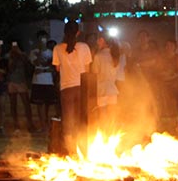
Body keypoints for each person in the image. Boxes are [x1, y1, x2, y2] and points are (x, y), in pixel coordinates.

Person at [53, 20, 92, 153]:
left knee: (68, 120)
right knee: (81, 119)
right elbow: (87, 69)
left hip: (66, 87)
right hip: (81, 87)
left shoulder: (57, 48)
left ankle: (71, 151)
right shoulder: (84, 47)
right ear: (78, 32)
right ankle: (83, 149)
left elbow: (57, 68)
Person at [92, 35, 121, 131]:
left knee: (103, 116)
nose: (97, 42)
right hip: (113, 89)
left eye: (98, 39)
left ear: (103, 40)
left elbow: (94, 73)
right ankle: (112, 134)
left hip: (102, 89)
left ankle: (104, 135)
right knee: (112, 116)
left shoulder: (98, 56)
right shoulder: (115, 55)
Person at [30, 32, 58, 132]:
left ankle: (49, 124)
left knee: (50, 105)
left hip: (49, 81)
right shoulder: (34, 52)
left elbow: (53, 68)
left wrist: (44, 70)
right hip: (38, 82)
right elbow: (36, 63)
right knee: (39, 105)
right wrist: (41, 51)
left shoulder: (51, 53)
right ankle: (42, 125)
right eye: (41, 38)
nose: (43, 40)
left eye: (44, 38)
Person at [7, 41, 34, 133]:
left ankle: (30, 124)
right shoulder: (10, 56)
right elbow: (9, 68)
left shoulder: (22, 56)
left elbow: (28, 65)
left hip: (21, 81)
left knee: (26, 103)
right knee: (13, 104)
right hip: (12, 81)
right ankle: (16, 125)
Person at [159, 39, 178, 124]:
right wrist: (164, 75)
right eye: (167, 45)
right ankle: (170, 122)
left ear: (175, 47)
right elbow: (159, 70)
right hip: (165, 84)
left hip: (175, 84)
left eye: (171, 45)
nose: (169, 47)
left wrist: (173, 77)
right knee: (167, 103)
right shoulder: (162, 58)